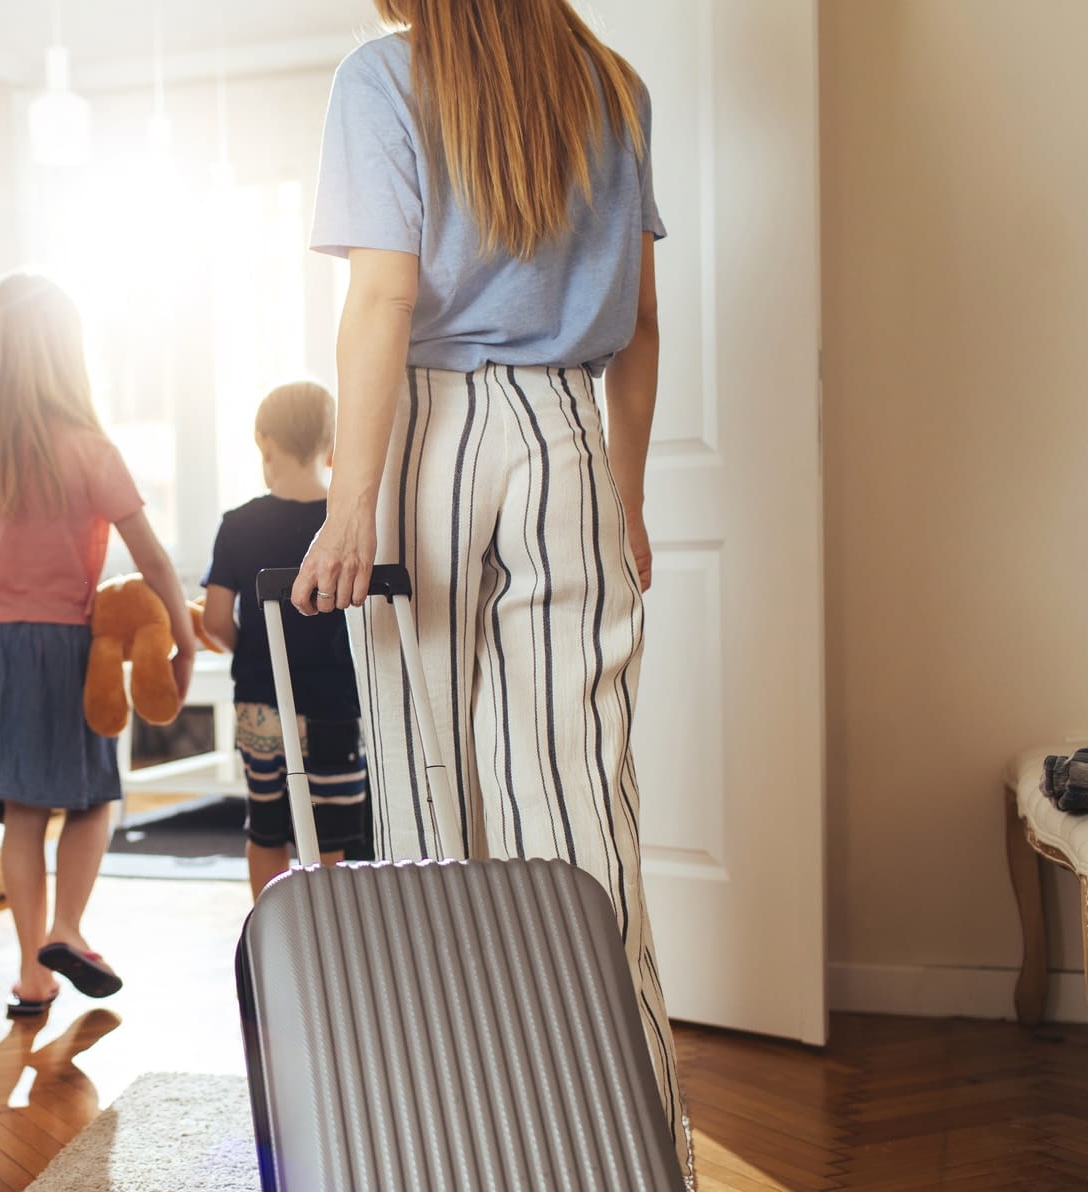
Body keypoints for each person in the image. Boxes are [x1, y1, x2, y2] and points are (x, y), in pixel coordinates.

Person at [291, 0, 691, 1180]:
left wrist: (352, 501)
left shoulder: (382, 77)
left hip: (430, 438)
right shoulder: (616, 86)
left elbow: (383, 301)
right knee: (581, 813)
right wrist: (625, 495)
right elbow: (646, 325)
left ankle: (460, 1146)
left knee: (430, 811)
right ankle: (632, 1151)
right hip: (572, 428)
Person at [0, 273, 197, 1019]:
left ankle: (31, 975)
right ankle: (68, 928)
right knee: (92, 800)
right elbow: (150, 559)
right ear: (67, 354)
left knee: (23, 814)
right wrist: (181, 629)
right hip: (65, 649)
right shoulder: (91, 451)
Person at [200, 382, 370, 898]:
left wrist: (247, 651)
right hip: (332, 705)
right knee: (332, 837)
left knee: (266, 825)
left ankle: (274, 934)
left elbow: (212, 619)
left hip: (260, 702)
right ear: (334, 450)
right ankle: (332, 935)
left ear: (264, 444)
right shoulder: (344, 528)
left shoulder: (237, 525)